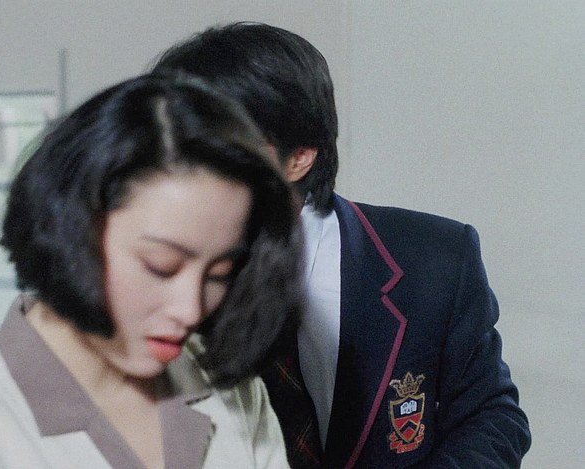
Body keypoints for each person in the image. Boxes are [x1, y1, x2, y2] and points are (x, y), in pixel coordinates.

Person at [153, 22, 531, 468]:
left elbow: (491, 417)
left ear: (299, 157)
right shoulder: (158, 278)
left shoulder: (434, 257)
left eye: (216, 147)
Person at [0, 72, 304, 468]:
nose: (190, 310)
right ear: (70, 229)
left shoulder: (230, 389)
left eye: (219, 273)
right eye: (160, 267)